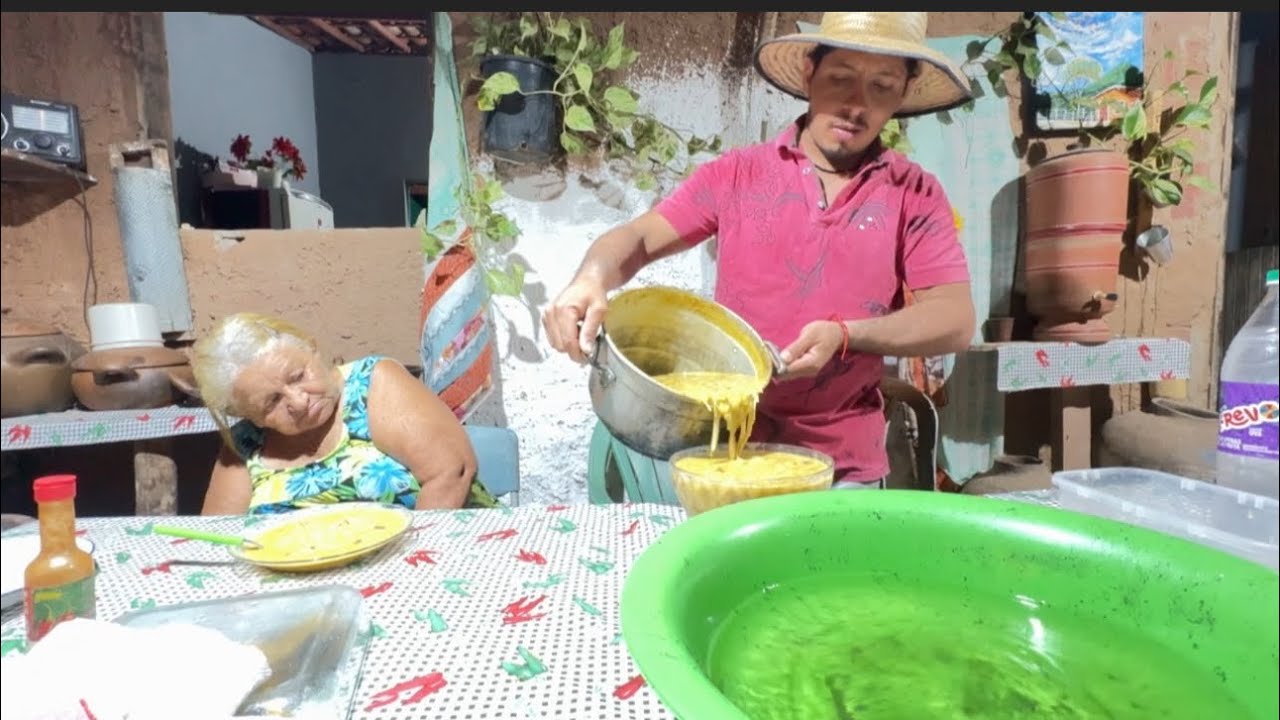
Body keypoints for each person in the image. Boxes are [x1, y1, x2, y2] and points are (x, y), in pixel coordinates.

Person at [544, 12, 977, 488]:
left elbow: (953, 319)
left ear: (903, 94)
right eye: (841, 78)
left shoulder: (913, 192)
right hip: (727, 454)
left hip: (845, 467)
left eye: (882, 86)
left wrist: (847, 335)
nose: (857, 104)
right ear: (810, 73)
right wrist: (592, 277)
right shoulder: (737, 175)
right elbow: (640, 238)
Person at [192, 312, 498, 515]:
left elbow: (451, 471)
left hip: (425, 564)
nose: (298, 402)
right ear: (252, 416)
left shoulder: (371, 384)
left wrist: (415, 570)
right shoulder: (246, 442)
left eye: (298, 376)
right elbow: (219, 533)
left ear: (313, 349)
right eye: (272, 402)